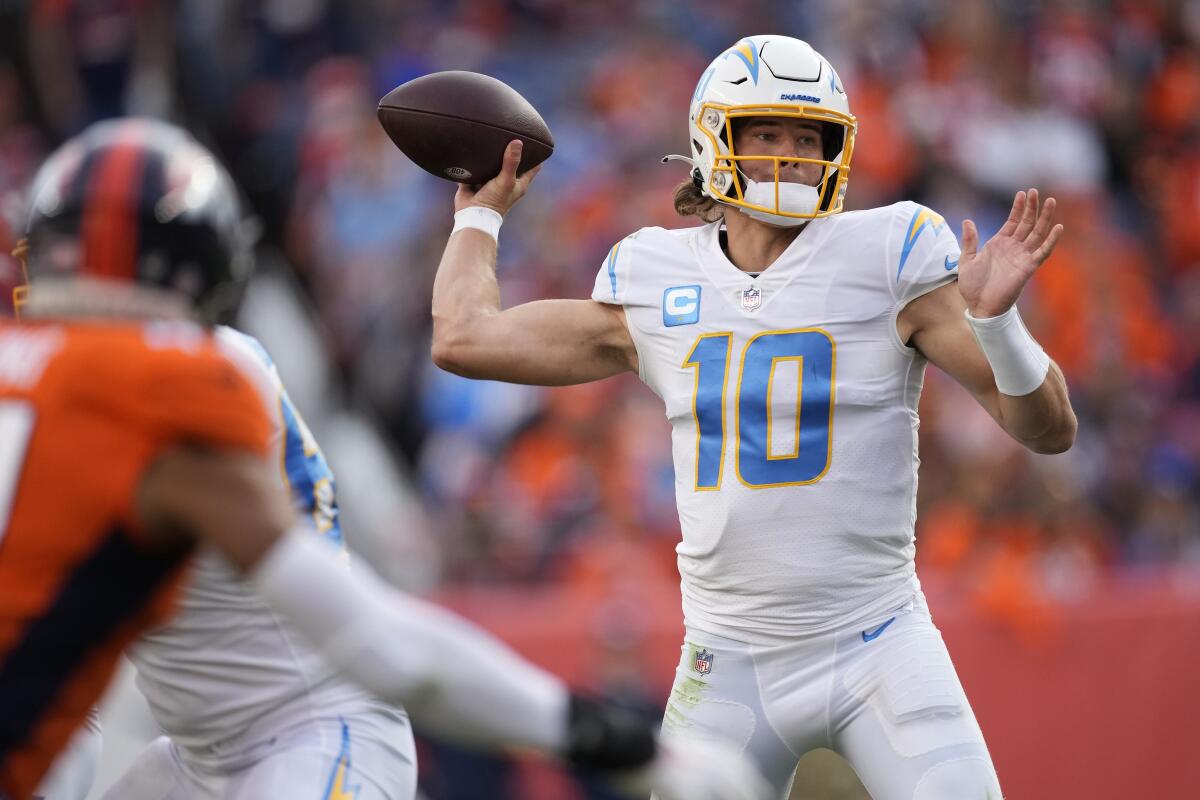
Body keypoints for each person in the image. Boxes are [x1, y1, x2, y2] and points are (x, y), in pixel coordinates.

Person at [0, 117, 768, 800]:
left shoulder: (183, 389)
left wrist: (623, 748)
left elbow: (382, 644)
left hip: (310, 735)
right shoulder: (80, 387)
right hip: (196, 754)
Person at [429, 35, 1077, 800]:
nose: (791, 154)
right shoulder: (654, 273)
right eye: (767, 132)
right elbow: (463, 338)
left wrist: (1000, 325)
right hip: (729, 657)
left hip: (880, 639)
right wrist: (479, 219)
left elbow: (1047, 428)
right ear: (714, 140)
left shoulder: (890, 252)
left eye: (810, 138)